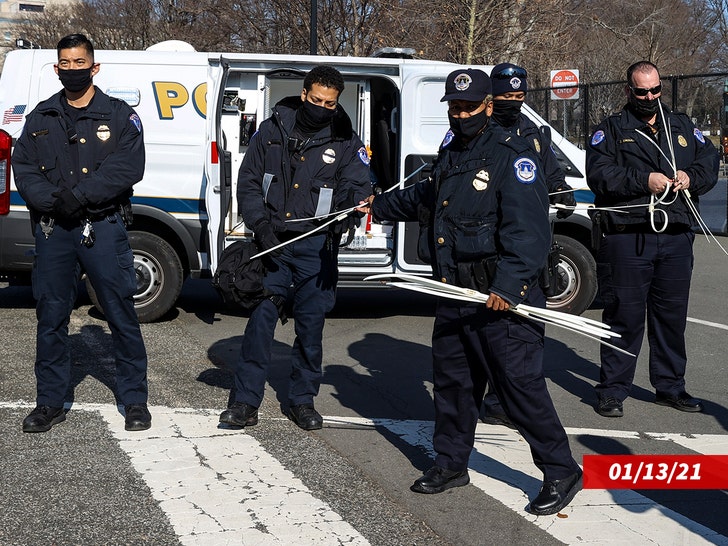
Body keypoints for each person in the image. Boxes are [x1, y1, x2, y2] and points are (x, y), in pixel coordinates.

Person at [362, 68, 582, 516]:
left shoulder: (512, 155)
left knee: (519, 389)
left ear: (488, 106)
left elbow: (529, 232)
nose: (460, 115)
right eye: (454, 107)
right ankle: (451, 463)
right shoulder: (453, 152)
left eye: (468, 107)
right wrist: (379, 205)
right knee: (453, 386)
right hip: (457, 293)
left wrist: (509, 287)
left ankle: (561, 470)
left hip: (501, 301)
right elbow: (428, 197)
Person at [219, 65, 371, 431]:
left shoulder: (347, 140)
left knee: (310, 328)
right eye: (316, 100)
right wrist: (261, 225)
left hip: (316, 248)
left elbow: (355, 187)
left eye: (330, 103)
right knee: (259, 325)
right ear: (304, 94)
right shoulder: (271, 131)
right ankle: (244, 402)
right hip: (271, 242)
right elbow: (250, 182)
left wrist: (353, 211)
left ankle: (302, 401)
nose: (322, 107)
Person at [13, 33, 151, 433]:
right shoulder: (41, 116)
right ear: (57, 68)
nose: (73, 70)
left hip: (103, 226)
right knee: (51, 316)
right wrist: (56, 201)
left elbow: (128, 167)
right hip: (55, 228)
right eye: (66, 64)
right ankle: (49, 402)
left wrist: (81, 196)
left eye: (80, 63)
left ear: (95, 66)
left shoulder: (119, 114)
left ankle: (135, 400)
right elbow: (23, 168)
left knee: (121, 314)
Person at [586, 60, 719, 418]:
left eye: (655, 89)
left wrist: (690, 177)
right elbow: (599, 175)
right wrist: (645, 180)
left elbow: (710, 159)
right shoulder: (612, 130)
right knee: (624, 316)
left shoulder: (681, 125)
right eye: (642, 91)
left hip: (675, 234)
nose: (650, 96)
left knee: (671, 317)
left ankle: (670, 386)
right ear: (628, 91)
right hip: (629, 236)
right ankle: (613, 389)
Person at [481, 62, 577, 427]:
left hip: (531, 248)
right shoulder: (480, 130)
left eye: (519, 96)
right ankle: (493, 398)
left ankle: (504, 401)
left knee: (527, 331)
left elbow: (550, 172)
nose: (514, 102)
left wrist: (562, 190)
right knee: (492, 331)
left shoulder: (533, 132)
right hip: (493, 248)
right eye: (506, 96)